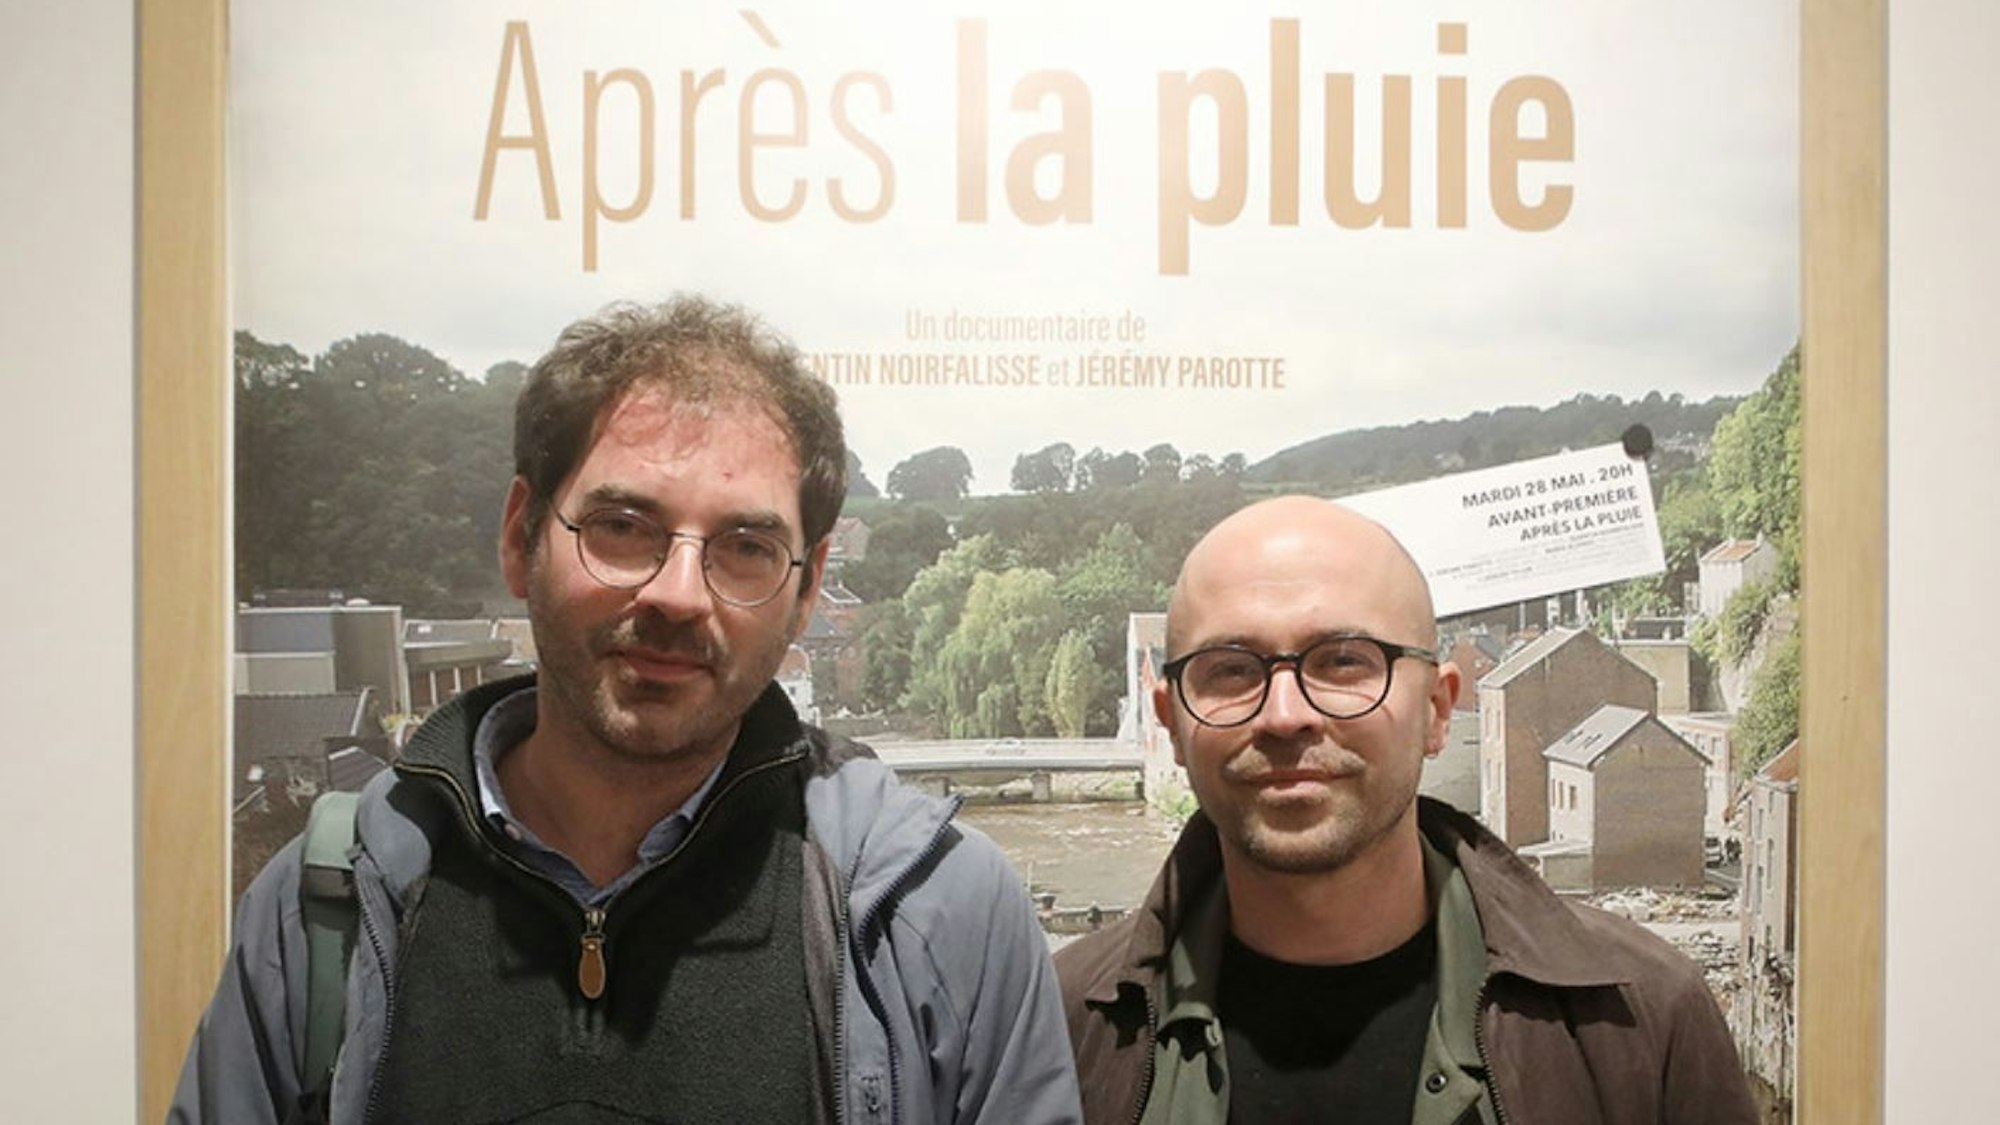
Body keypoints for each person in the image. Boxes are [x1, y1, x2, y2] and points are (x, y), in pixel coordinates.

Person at [172, 297, 1082, 1124]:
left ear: (806, 594)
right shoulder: (319, 910)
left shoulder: (942, 913)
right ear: (520, 537)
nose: (680, 593)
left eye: (747, 545)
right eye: (622, 527)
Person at [1055, 497, 1756, 1125]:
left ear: (1438, 709)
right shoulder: (1059, 1026)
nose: (1287, 714)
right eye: (1231, 670)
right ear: (1172, 722)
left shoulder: (1640, 1019)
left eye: (1345, 661)